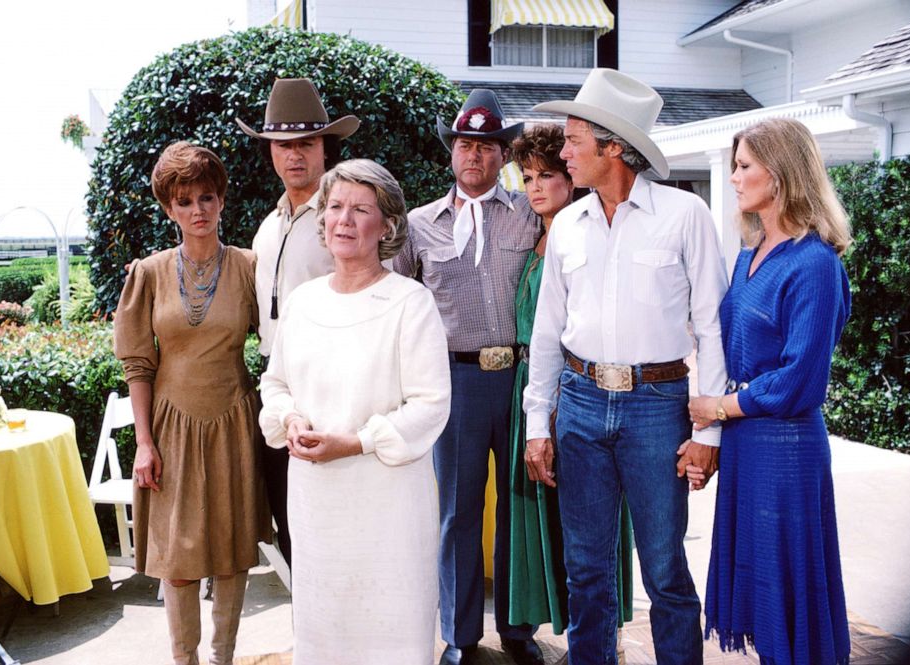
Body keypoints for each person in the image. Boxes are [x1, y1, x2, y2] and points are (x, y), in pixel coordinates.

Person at [523, 68, 729, 665]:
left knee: (666, 568)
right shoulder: (566, 226)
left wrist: (708, 429)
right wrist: (540, 423)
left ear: (613, 147)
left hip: (659, 407)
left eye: (572, 141)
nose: (562, 153)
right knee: (585, 570)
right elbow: (546, 334)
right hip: (580, 402)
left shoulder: (684, 214)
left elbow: (712, 326)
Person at [258, 159, 451, 665]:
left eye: (360, 209)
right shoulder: (302, 304)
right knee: (325, 633)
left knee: (389, 632)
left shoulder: (410, 303)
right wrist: (291, 420)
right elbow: (274, 383)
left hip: (388, 505)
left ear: (386, 226)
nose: (343, 220)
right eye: (335, 207)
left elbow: (431, 405)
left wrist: (357, 442)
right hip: (317, 506)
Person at [688, 117, 852, 665]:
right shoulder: (748, 254)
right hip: (746, 446)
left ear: (778, 174)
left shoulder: (815, 263)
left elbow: (800, 378)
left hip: (787, 450)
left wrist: (718, 407)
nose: (734, 178)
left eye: (743, 166)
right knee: (763, 590)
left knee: (789, 593)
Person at [395, 89, 544, 665]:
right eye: (464, 144)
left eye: (486, 146)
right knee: (458, 510)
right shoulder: (417, 225)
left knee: (518, 503)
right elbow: (397, 302)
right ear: (451, 153)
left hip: (518, 377)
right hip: (452, 382)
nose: (474, 156)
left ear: (503, 155)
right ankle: (459, 637)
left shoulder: (529, 212)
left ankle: (518, 627)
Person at [114, 141, 268, 665]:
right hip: (171, 427)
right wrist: (143, 443)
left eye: (206, 197)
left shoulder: (252, 266)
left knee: (229, 557)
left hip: (234, 421)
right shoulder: (149, 274)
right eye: (184, 202)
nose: (197, 210)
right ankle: (186, 660)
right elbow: (138, 364)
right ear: (167, 208)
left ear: (222, 199)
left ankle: (224, 659)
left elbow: (283, 343)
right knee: (177, 560)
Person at [508, 124, 635, 648]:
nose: (535, 187)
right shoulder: (534, 234)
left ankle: (605, 638)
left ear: (571, 179)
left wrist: (556, 405)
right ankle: (573, 636)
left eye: (547, 176)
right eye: (528, 177)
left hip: (574, 391)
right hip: (530, 385)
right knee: (544, 518)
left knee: (585, 523)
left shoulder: (586, 233)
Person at [236, 77, 359, 566]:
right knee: (291, 524)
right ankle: (310, 635)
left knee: (334, 524)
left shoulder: (342, 219)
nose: (294, 156)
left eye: (305, 143)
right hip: (277, 385)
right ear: (269, 152)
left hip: (332, 383)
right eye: (283, 145)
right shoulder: (270, 225)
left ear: (325, 148)